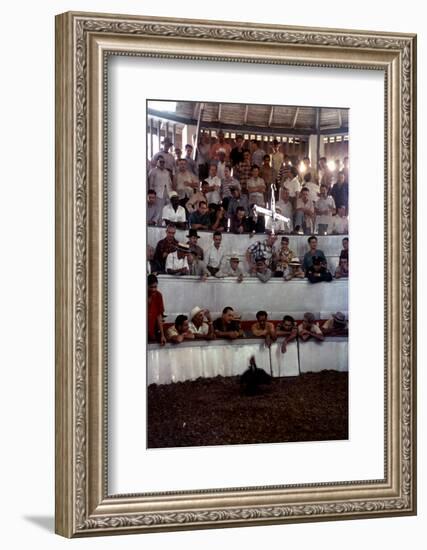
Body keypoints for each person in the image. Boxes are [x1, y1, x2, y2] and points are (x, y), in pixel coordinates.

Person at [147, 274, 166, 345]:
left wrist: (162, 335)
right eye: (151, 287)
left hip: (152, 332)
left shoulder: (158, 296)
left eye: (155, 287)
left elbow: (159, 316)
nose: (153, 289)